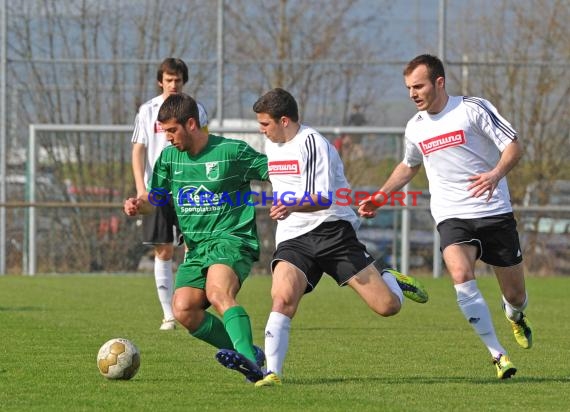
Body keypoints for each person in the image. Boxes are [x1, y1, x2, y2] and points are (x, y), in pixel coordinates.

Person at [359, 54, 532, 380]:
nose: (413, 93)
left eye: (419, 85)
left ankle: (515, 314)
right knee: (459, 273)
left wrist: (495, 174)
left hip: (494, 211)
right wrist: (381, 196)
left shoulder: (472, 109)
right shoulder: (415, 127)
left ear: (439, 82)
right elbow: (409, 165)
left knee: (515, 294)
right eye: (409, 87)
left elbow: (513, 146)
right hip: (451, 215)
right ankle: (498, 355)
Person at [251, 88, 429, 388]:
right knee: (282, 297)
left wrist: (290, 204)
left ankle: (391, 280)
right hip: (294, 237)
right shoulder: (272, 146)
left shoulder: (312, 143)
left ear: (284, 121)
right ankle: (272, 373)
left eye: (265, 124)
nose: (261, 130)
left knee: (387, 307)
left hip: (332, 231)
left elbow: (320, 198)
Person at [124, 93, 268, 383]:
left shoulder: (232, 152)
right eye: (163, 132)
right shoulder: (169, 157)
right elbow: (158, 200)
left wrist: (301, 196)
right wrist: (141, 204)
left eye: (172, 131)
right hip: (197, 247)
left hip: (232, 239)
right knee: (183, 309)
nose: (167, 138)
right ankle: (244, 351)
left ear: (191, 124)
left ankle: (252, 366)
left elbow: (274, 171)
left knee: (218, 293)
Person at [131, 57, 208, 330]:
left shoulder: (196, 109)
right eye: (169, 79)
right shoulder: (147, 110)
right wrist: (142, 189)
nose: (173, 84)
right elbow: (138, 149)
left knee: (193, 247)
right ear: (160, 81)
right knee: (163, 250)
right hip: (159, 190)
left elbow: (204, 143)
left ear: (184, 81)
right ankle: (168, 315)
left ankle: (188, 305)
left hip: (189, 189)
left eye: (178, 80)